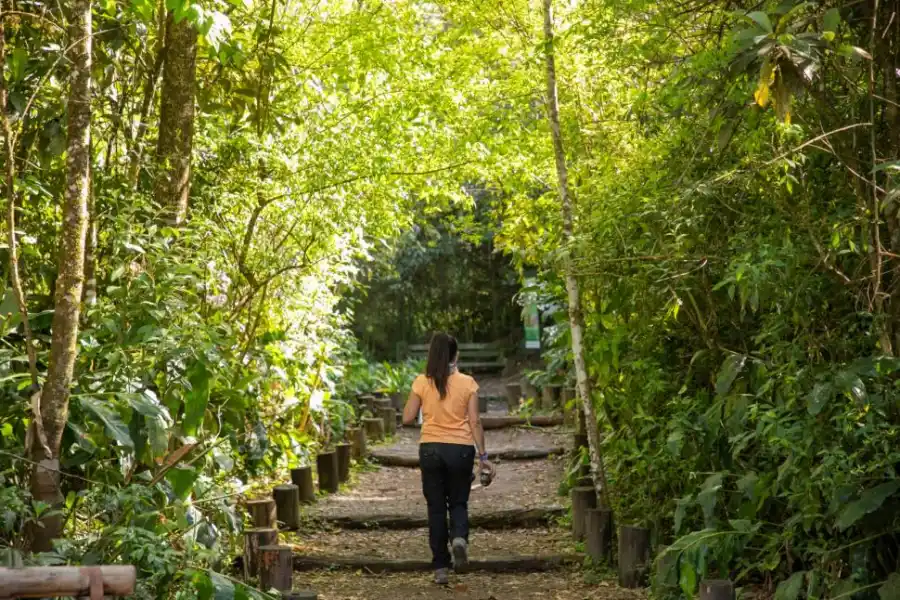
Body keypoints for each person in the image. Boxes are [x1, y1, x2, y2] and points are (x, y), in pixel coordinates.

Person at [402, 332, 495, 585]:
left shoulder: (422, 381)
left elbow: (407, 417)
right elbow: (475, 421)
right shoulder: (468, 383)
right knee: (458, 502)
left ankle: (441, 567)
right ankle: (459, 539)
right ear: (456, 355)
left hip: (430, 449)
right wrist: (483, 457)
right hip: (461, 450)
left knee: (435, 508)